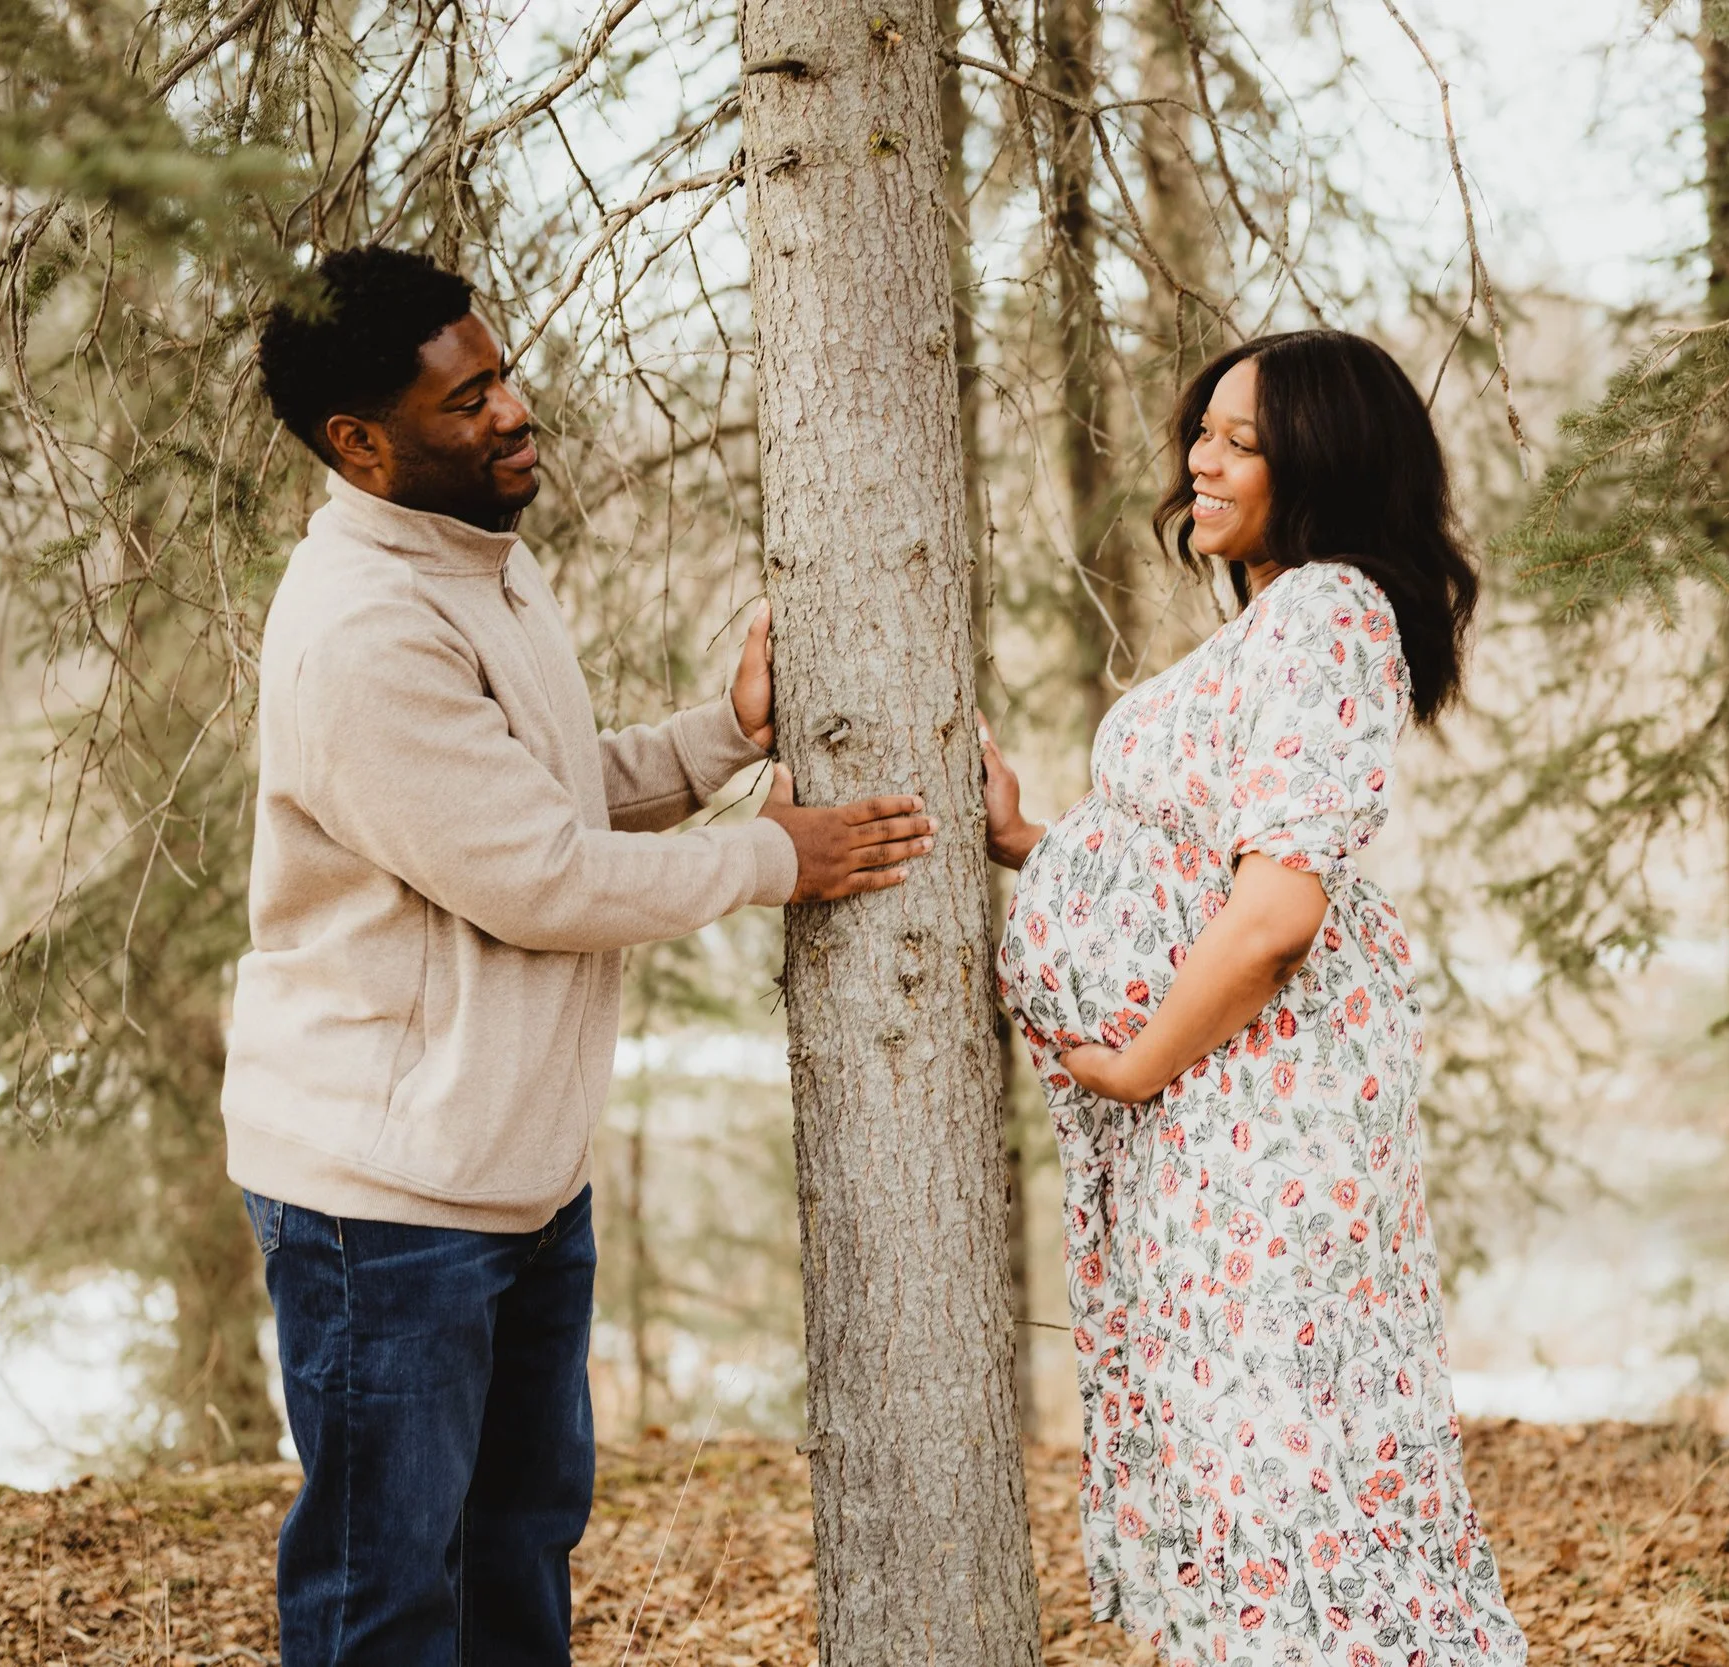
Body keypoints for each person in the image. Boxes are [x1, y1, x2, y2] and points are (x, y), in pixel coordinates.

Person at [226, 245, 935, 1667]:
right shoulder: (363, 634)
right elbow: (537, 875)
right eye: (463, 399)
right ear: (358, 445)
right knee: (385, 1599)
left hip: (516, 1180)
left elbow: (532, 788)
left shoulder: (480, 556)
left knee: (516, 1555)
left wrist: (721, 739)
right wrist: (772, 857)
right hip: (389, 1206)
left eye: (498, 375)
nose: (508, 413)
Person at [985, 330, 1526, 1665]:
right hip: (1225, 1121)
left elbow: (1279, 913)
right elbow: (1199, 865)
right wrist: (1040, 846)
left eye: (1242, 440)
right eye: (1202, 431)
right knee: (1258, 1470)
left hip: (1257, 1128)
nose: (1201, 460)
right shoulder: (1289, 620)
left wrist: (1127, 1067)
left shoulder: (1327, 612)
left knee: (1290, 1473)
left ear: (1325, 465)